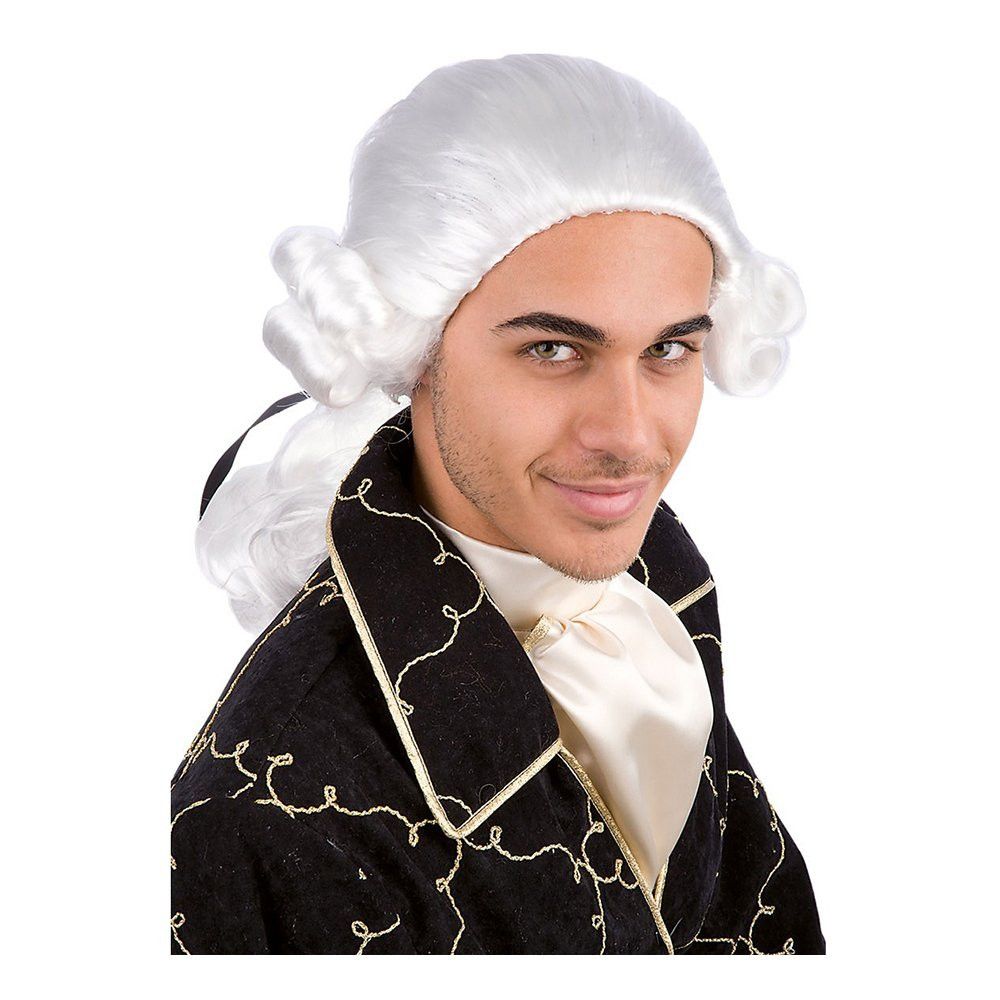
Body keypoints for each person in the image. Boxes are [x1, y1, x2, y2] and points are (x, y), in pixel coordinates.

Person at [171, 52, 825, 955]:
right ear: (417, 352)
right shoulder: (263, 808)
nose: (630, 435)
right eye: (553, 350)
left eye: (668, 350)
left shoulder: (656, 579)